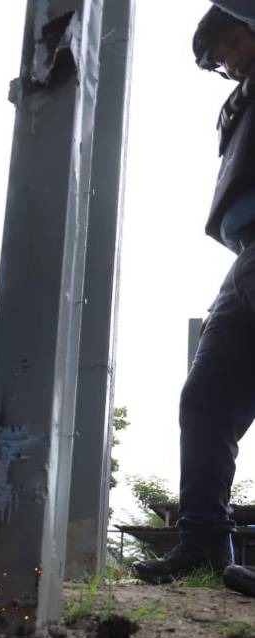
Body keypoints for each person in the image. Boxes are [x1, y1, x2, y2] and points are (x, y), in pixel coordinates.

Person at [135, 2, 255, 584]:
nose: (223, 67)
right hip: (248, 256)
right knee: (206, 396)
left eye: (224, 51)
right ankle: (204, 541)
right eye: (213, 64)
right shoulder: (242, 101)